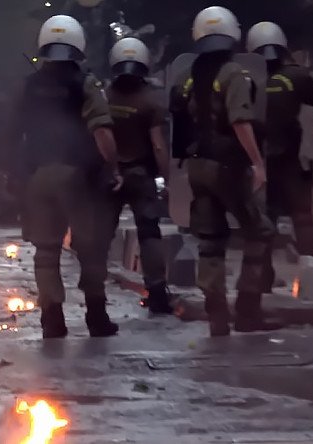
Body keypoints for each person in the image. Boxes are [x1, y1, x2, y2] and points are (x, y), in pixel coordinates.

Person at [171, 6, 279, 337]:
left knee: (210, 240)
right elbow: (240, 121)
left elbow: (178, 118)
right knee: (259, 231)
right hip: (228, 166)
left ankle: (217, 315)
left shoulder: (188, 76)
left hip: (197, 166)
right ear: (232, 35)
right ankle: (247, 310)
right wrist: (258, 162)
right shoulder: (233, 75)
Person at [12, 15, 121, 338]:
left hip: (38, 176)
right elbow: (102, 132)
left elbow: (10, 133)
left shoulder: (28, 86)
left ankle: (52, 319)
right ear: (78, 46)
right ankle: (97, 316)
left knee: (46, 251)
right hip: (78, 178)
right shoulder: (85, 84)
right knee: (90, 247)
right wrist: (112, 168)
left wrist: (10, 173)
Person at [247, 21, 313, 292]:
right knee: (302, 219)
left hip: (260, 163)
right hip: (291, 163)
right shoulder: (296, 76)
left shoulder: (247, 80)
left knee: (263, 222)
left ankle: (262, 280)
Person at [101, 37, 173, 315]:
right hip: (142, 176)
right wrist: (166, 180)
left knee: (102, 234)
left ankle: (94, 292)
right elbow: (158, 145)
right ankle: (156, 292)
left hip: (111, 176)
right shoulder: (151, 101)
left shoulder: (105, 97)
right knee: (149, 233)